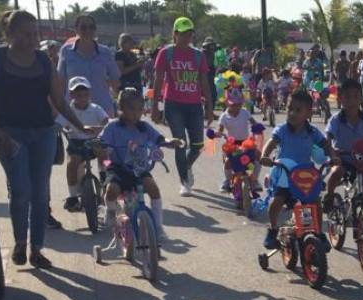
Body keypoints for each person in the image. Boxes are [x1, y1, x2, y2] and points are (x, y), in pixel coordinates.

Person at [0, 10, 90, 269]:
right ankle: (20, 241)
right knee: (21, 190)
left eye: (35, 34)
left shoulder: (42, 61)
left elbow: (60, 100)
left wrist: (82, 125)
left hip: (42, 133)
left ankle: (37, 249)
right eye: (25, 34)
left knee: (40, 194)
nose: (31, 39)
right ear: (9, 34)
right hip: (9, 134)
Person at [97, 89, 185, 243]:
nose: (136, 113)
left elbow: (159, 138)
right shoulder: (112, 127)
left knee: (153, 189)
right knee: (112, 190)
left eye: (140, 109)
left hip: (139, 168)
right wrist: (98, 144)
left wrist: (170, 141)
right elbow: (101, 140)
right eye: (131, 109)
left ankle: (158, 227)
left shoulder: (144, 126)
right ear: (121, 108)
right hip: (117, 167)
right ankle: (111, 210)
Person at [257, 90, 339, 251]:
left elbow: (326, 145)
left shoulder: (312, 132)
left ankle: (318, 232)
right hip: (285, 176)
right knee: (276, 201)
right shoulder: (282, 130)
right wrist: (265, 156)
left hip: (305, 177)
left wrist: (333, 156)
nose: (292, 113)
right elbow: (272, 143)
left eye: (298, 110)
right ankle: (273, 229)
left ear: (309, 112)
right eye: (290, 108)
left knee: (315, 202)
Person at [151, 17, 215, 197]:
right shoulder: (166, 53)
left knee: (198, 145)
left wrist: (210, 108)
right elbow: (158, 81)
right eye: (183, 33)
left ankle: (186, 166)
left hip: (194, 105)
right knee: (180, 143)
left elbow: (204, 83)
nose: (187, 36)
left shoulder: (198, 55)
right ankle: (184, 181)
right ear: (175, 34)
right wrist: (155, 107)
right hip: (174, 104)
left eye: (190, 33)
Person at [58, 76, 109, 213]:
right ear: (72, 95)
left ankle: (105, 173)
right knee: (71, 164)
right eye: (78, 95)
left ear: (89, 94)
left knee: (104, 154)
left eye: (85, 94)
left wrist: (101, 127)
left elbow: (106, 120)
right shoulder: (68, 111)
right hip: (76, 143)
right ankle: (73, 197)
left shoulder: (95, 108)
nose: (82, 98)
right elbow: (59, 123)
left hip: (94, 140)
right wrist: (56, 128)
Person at [58, 14, 120, 117]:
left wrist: (120, 104)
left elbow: (115, 81)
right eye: (83, 27)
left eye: (91, 27)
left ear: (95, 30)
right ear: (76, 30)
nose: (87, 30)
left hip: (103, 110)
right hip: (74, 112)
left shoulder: (106, 52)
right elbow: (61, 83)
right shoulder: (66, 51)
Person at [217, 88, 261, 192]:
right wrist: (216, 134)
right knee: (229, 162)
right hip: (232, 144)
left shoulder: (245, 112)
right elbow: (220, 130)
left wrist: (258, 127)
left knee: (258, 156)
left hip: (246, 143)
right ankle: (227, 181)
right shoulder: (224, 116)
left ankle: (254, 180)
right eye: (233, 104)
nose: (236, 107)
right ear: (228, 103)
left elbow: (253, 122)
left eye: (239, 104)